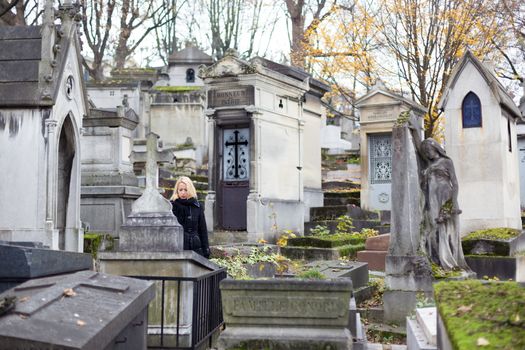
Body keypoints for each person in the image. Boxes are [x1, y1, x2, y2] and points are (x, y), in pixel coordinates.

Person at [409, 116, 469, 271]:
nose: (428, 153)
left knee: (444, 227)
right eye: (426, 151)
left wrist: (454, 202)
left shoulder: (446, 162)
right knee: (432, 226)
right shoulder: (430, 163)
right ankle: (437, 258)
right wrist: (415, 130)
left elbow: (455, 182)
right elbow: (418, 148)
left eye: (429, 150)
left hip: (444, 195)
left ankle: (447, 259)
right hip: (431, 197)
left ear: (436, 148)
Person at [170, 176, 210, 258]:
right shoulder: (172, 206)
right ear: (177, 191)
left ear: (190, 190)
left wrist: (206, 249)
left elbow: (203, 230)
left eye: (186, 190)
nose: (183, 193)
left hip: (196, 247)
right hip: (178, 247)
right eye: (180, 190)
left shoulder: (197, 206)